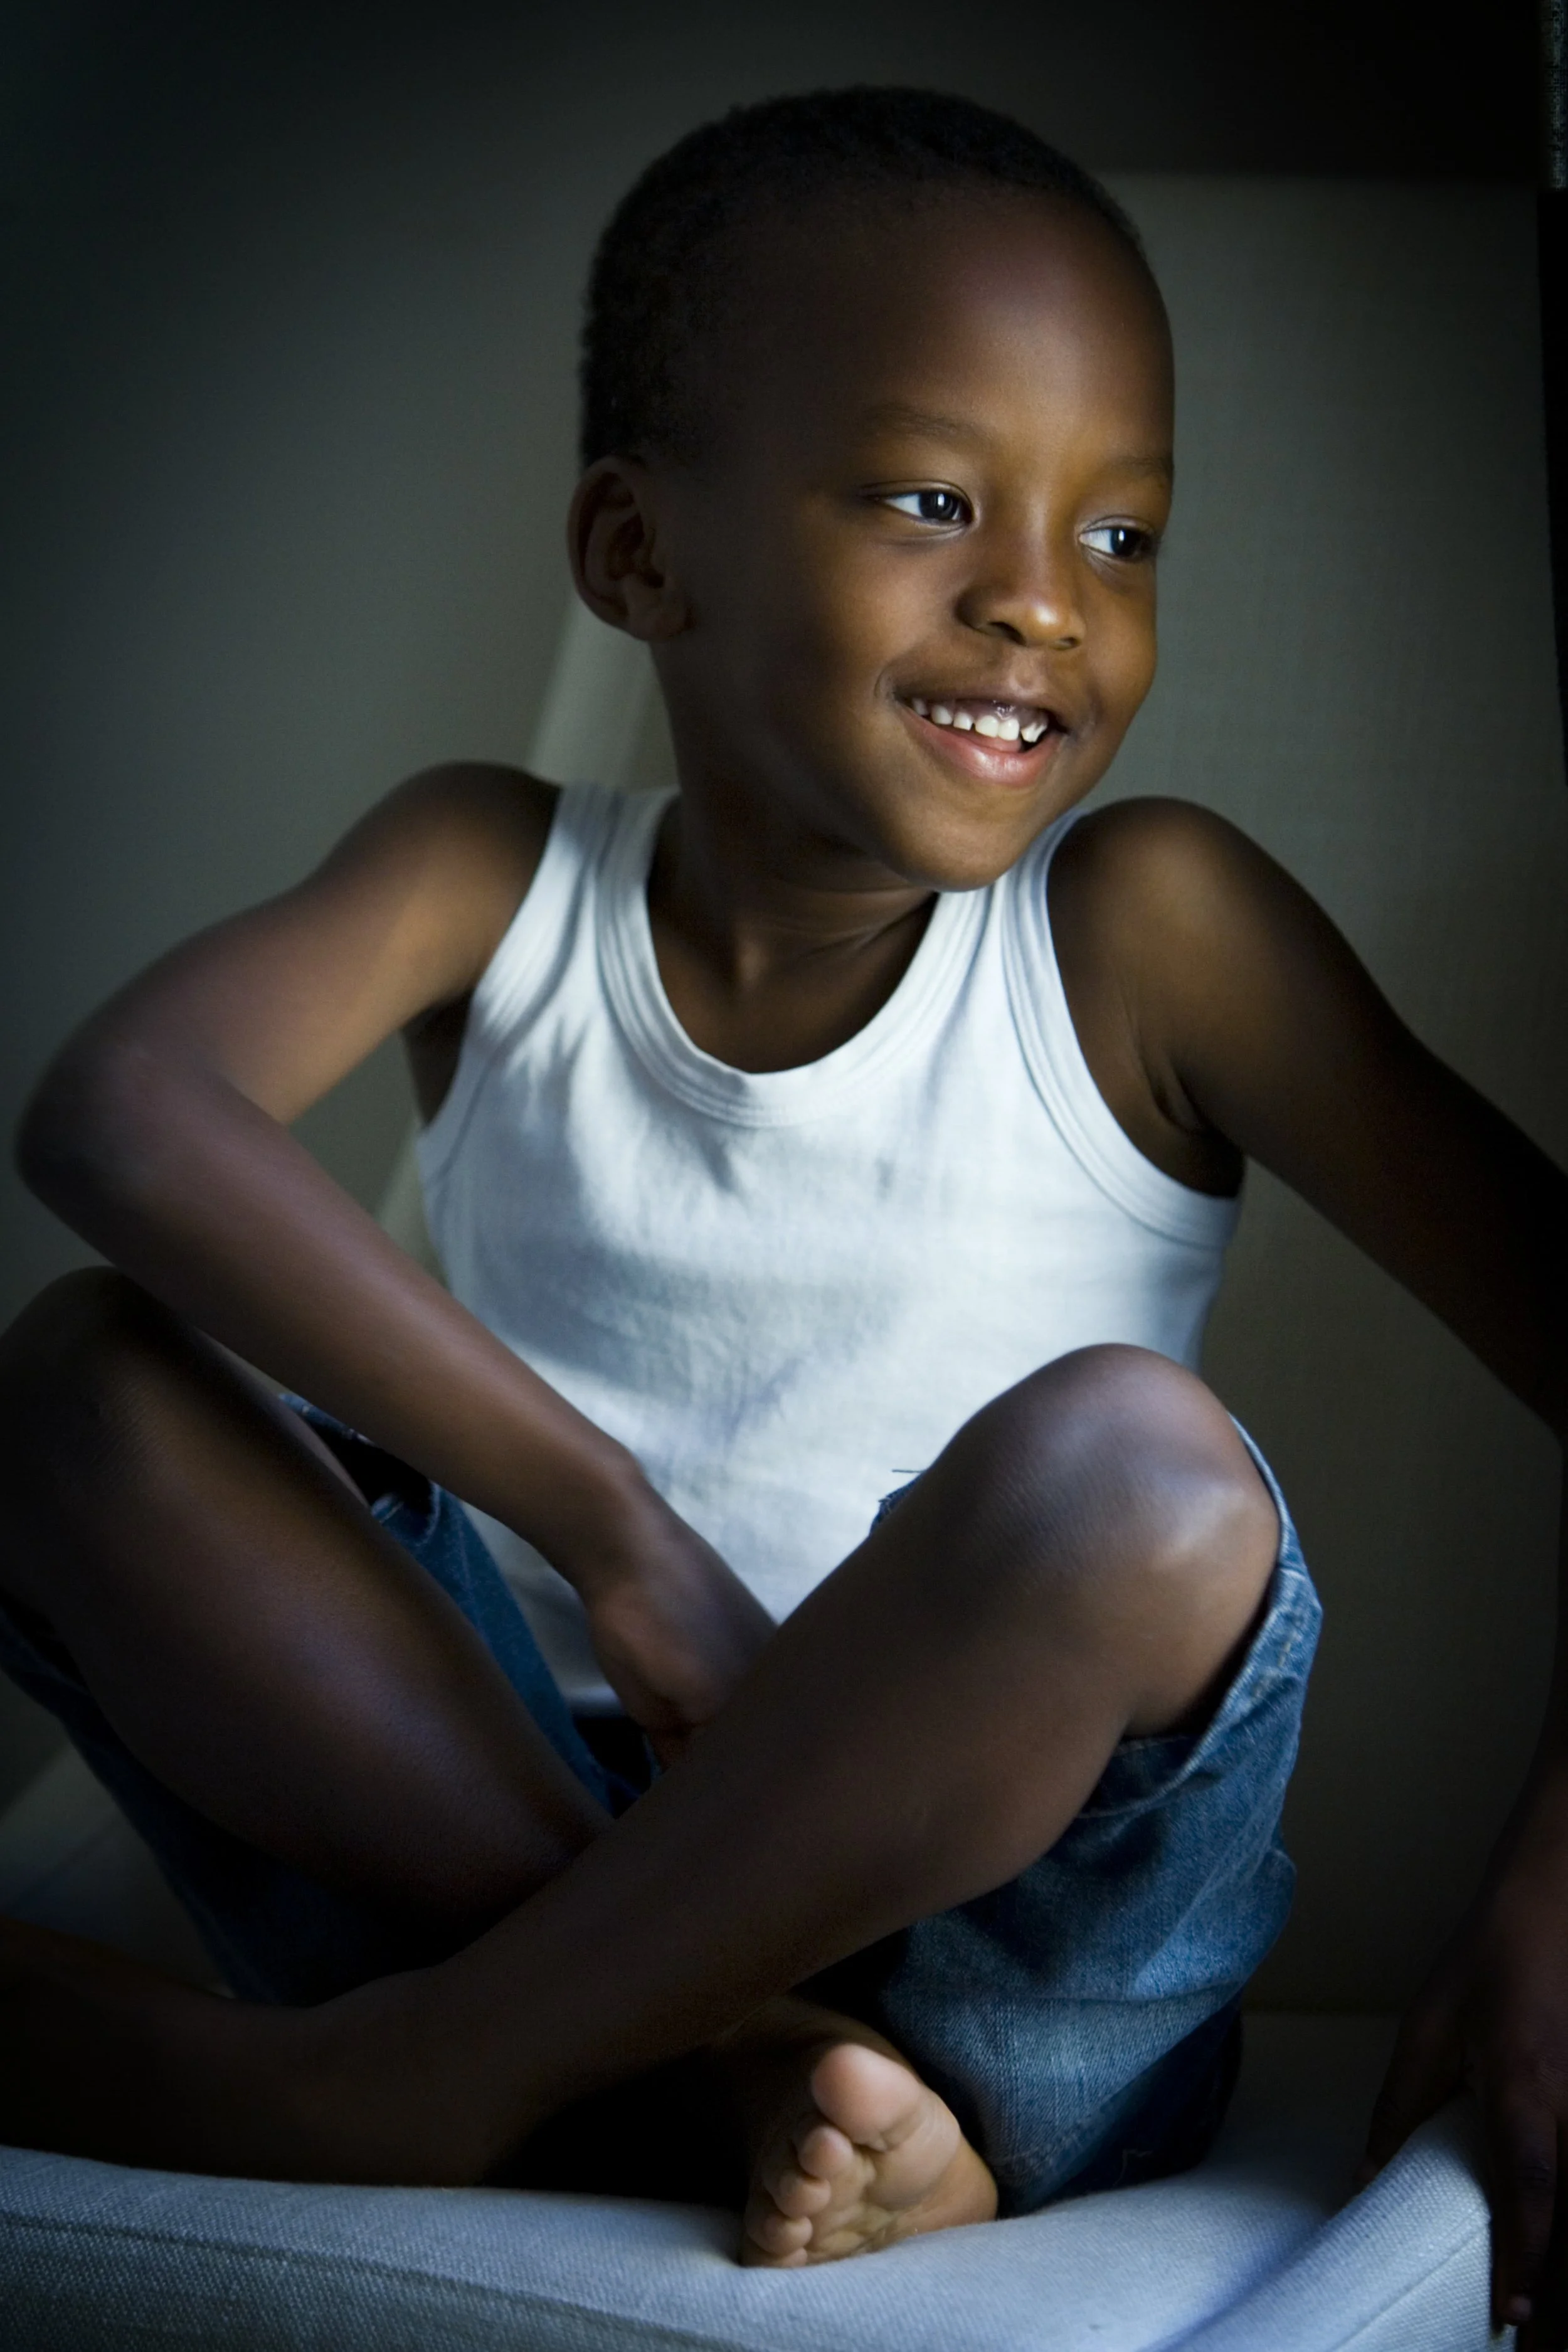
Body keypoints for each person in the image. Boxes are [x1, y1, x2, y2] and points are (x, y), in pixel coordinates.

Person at [0, 83, 1563, 2337]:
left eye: (1122, 536)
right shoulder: (493, 869)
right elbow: (121, 1114)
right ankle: (711, 2066)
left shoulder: (1145, 925)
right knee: (77, 1382)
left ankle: (425, 2083)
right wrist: (615, 1532)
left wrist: (1553, 1888)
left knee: (1132, 1470)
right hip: (509, 1838)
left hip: (1016, 1949)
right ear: (641, 556)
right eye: (934, 499)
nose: (1041, 597)